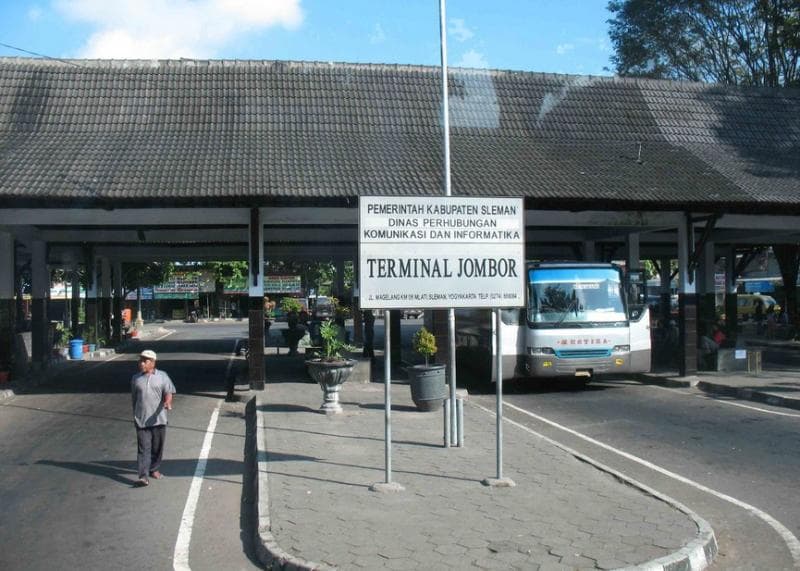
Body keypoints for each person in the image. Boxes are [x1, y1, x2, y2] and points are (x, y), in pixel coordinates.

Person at [131, 350, 176, 487]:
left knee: (157, 447)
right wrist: (135, 415)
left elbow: (168, 392)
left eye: (145, 361)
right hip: (142, 420)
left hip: (158, 419)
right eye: (141, 361)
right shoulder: (135, 378)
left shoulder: (162, 376)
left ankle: (154, 469)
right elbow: (134, 398)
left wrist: (168, 402)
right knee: (143, 449)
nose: (142, 363)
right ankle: (143, 476)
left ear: (153, 363)